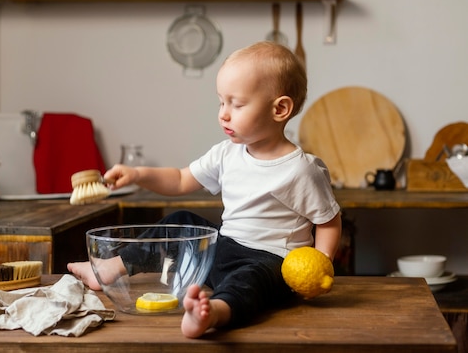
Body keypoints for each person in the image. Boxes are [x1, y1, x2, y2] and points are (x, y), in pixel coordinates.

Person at [67, 41, 342, 338]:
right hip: (223, 248)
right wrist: (138, 174)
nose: (224, 113)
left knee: (249, 283)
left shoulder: (300, 170)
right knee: (183, 220)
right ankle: (110, 268)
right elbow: (180, 179)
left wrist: (321, 266)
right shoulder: (227, 153)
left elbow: (327, 220)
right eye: (221, 102)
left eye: (236, 104)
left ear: (280, 109)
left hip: (272, 261)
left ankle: (213, 313)